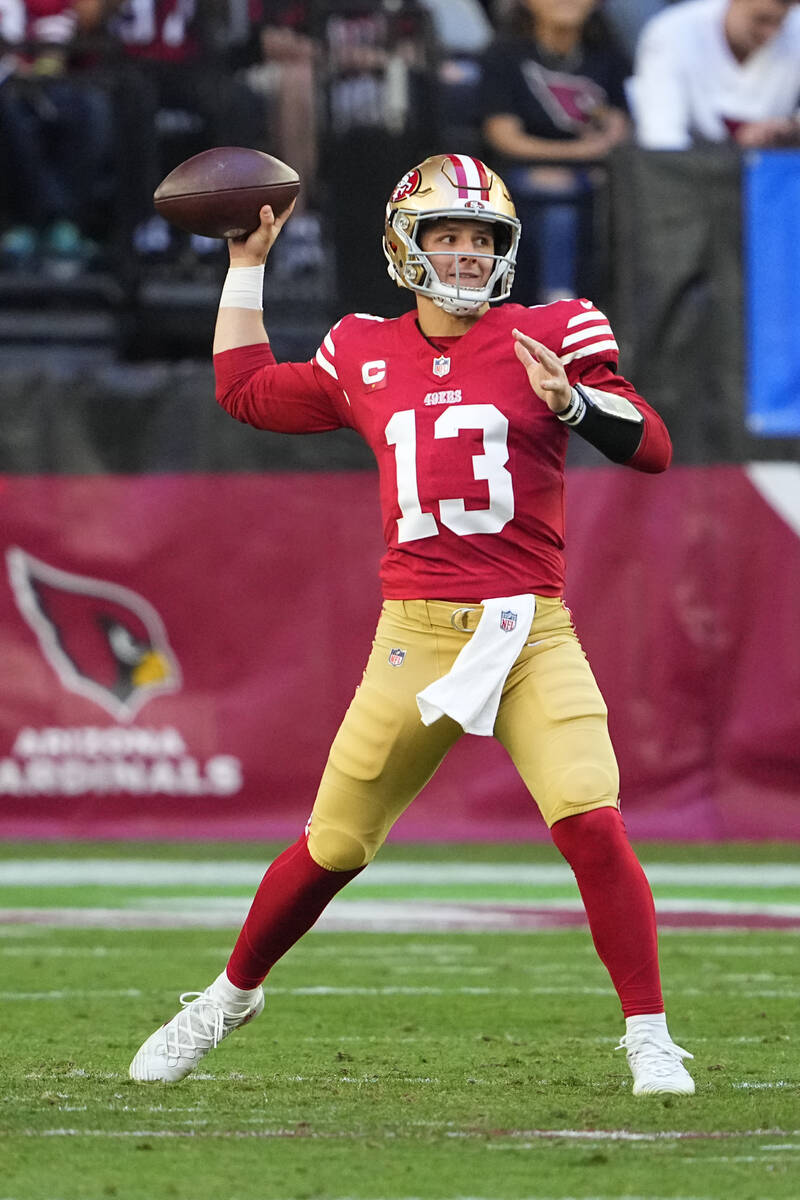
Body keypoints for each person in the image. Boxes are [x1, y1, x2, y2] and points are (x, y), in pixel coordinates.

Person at [128, 152, 695, 1098]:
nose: (469, 255)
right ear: (407, 245)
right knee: (333, 846)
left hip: (529, 631)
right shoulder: (362, 349)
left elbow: (656, 449)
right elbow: (246, 392)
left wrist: (576, 401)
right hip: (416, 632)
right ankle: (227, 998)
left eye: (483, 239)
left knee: (591, 819)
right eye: (449, 236)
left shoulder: (553, 332)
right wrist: (246, 266)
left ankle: (649, 1036)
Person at [480, 0, 630, 303]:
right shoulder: (504, 54)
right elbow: (503, 136)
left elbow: (622, 125)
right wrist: (578, 153)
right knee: (557, 204)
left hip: (597, 174)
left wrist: (607, 130)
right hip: (520, 171)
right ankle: (558, 304)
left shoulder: (610, 55)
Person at [629, 0, 800, 149]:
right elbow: (661, 138)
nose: (770, 33)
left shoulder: (795, 28)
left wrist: (791, 127)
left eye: (780, 22)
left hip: (773, 173)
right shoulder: (672, 33)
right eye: (761, 20)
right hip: (691, 172)